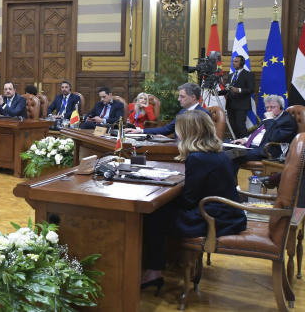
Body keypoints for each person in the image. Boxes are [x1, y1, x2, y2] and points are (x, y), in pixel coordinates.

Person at [140, 110, 246, 292]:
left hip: (214, 219)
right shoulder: (216, 152)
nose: (176, 134)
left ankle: (153, 270)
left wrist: (165, 196)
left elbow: (189, 201)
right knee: (160, 210)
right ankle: (159, 267)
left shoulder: (198, 158)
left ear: (189, 132)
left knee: (152, 215)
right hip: (227, 213)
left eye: (179, 130)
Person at [233, 95, 298, 182]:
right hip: (252, 146)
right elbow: (257, 132)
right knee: (225, 148)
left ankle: (230, 185)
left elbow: (274, 137)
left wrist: (270, 120)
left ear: (281, 107)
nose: (269, 110)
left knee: (234, 155)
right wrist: (245, 139)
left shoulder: (287, 121)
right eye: (267, 107)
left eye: (272, 107)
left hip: (267, 150)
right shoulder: (269, 118)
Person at [127, 83, 209, 137]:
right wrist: (140, 131)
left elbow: (199, 140)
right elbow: (167, 129)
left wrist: (173, 140)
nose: (178, 99)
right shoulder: (182, 112)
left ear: (193, 97)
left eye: (182, 96)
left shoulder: (203, 114)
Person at [220, 56, 255, 139]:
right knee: (232, 126)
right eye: (233, 61)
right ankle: (235, 143)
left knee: (240, 126)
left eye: (236, 61)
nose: (233, 63)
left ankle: (244, 144)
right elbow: (227, 89)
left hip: (241, 105)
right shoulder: (231, 75)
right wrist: (217, 93)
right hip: (230, 105)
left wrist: (238, 90)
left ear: (242, 63)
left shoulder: (248, 74)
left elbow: (251, 89)